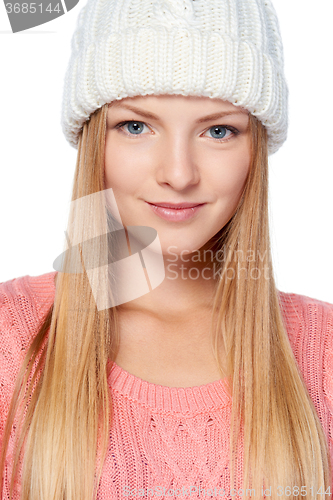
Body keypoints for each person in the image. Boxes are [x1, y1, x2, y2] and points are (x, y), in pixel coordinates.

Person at [0, 0, 332, 499]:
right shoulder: (10, 338)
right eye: (136, 126)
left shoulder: (323, 351)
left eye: (218, 131)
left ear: (255, 151)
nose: (178, 174)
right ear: (95, 142)